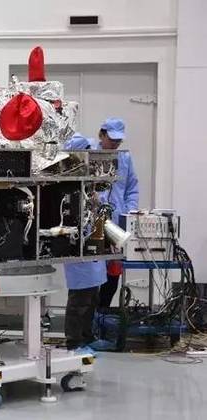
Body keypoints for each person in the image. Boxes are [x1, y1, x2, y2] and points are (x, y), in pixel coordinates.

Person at [62, 133, 107, 355]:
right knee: (79, 297)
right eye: (85, 152)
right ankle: (74, 342)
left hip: (93, 245)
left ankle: (88, 336)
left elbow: (98, 208)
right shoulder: (67, 184)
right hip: (77, 246)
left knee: (92, 295)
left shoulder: (90, 182)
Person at [96, 118, 139, 308]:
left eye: (118, 141)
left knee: (113, 273)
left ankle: (102, 314)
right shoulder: (90, 153)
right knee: (93, 274)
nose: (115, 144)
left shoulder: (125, 158)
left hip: (117, 223)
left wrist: (127, 214)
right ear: (102, 135)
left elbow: (132, 188)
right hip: (95, 223)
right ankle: (91, 318)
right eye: (112, 139)